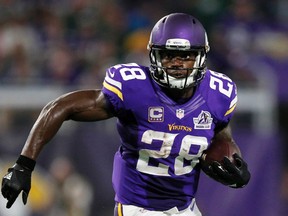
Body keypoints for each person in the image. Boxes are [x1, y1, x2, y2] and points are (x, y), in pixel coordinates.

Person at [1, 13, 250, 216]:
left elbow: (221, 133)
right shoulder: (134, 88)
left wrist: (233, 160)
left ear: (201, 57)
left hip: (185, 208)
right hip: (138, 208)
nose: (176, 64)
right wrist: (24, 165)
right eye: (168, 55)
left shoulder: (219, 93)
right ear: (153, 55)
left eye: (185, 56)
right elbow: (60, 106)